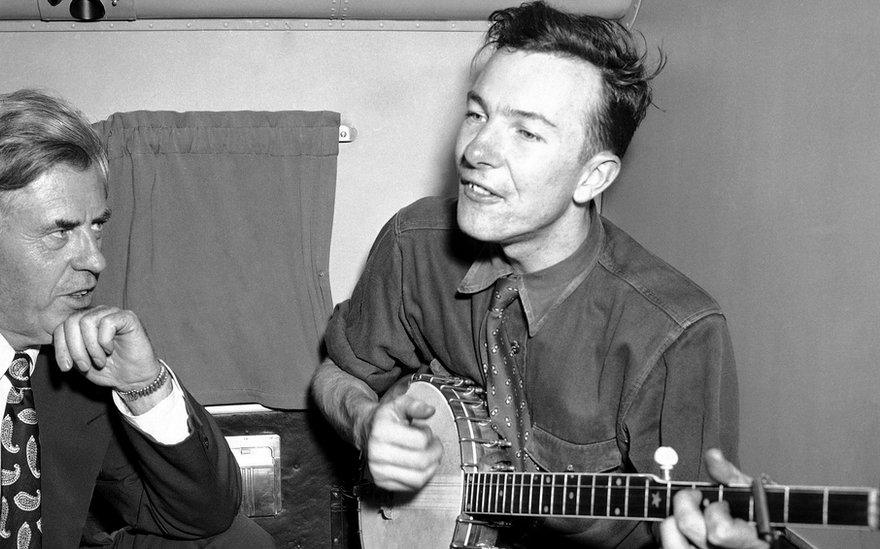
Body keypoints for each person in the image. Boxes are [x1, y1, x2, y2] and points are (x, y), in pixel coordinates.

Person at [312, 2, 766, 547]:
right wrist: (365, 423)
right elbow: (335, 373)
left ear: (593, 176)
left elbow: (696, 517)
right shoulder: (415, 245)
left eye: (526, 133)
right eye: (477, 114)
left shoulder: (676, 334)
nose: (476, 151)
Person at [0, 89, 273, 548]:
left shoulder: (75, 354)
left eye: (96, 225)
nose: (96, 260)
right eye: (61, 232)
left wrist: (144, 385)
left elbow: (205, 516)